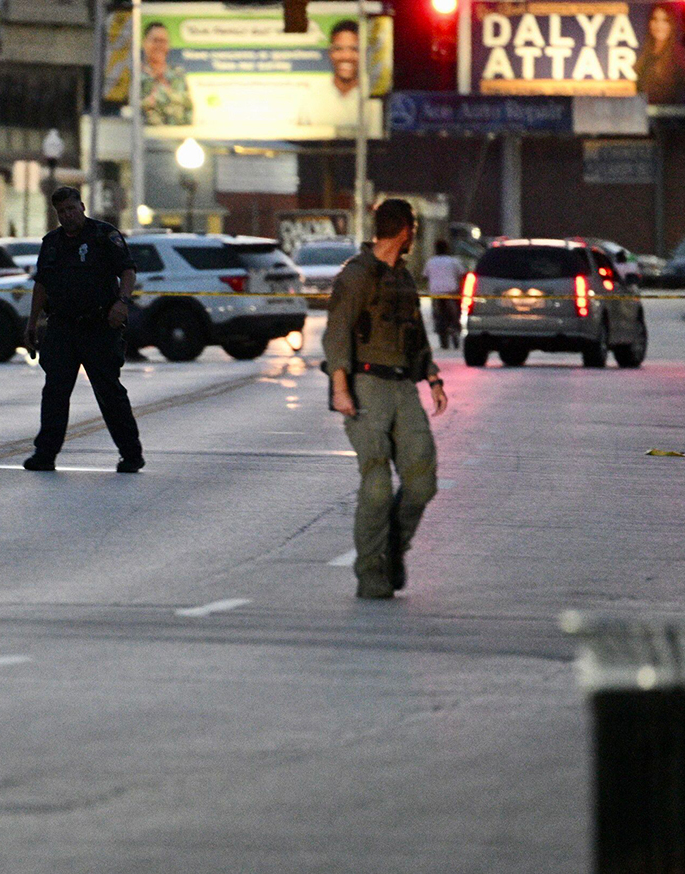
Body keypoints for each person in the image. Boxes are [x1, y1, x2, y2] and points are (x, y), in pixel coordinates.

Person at [324, 199, 448, 599]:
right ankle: (372, 571)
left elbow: (415, 333)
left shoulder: (403, 278)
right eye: (412, 229)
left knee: (422, 479)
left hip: (402, 387)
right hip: (365, 388)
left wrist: (432, 377)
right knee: (377, 486)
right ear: (405, 231)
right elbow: (336, 333)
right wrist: (341, 388)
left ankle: (394, 547)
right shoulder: (356, 276)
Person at [23, 187, 144, 473]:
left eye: (71, 209)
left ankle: (131, 453)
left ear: (82, 206)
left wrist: (122, 303)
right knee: (54, 392)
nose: (67, 215)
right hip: (62, 327)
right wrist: (31, 323)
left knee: (109, 392)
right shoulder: (51, 243)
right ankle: (45, 454)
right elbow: (41, 284)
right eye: (61, 211)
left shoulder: (104, 236)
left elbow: (127, 271)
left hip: (99, 326)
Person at [296, 19, 363, 132]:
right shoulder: (312, 98)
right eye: (338, 49)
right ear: (330, 52)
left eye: (354, 49)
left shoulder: (373, 96)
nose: (346, 56)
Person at [140, 22, 193, 126]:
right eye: (155, 40)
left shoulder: (178, 74)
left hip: (177, 138)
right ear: (144, 43)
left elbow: (188, 109)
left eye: (163, 41)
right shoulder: (135, 76)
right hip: (145, 139)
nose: (159, 45)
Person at [636, 4, 685, 107]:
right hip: (645, 117)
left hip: (670, 118)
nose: (659, 25)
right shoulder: (644, 56)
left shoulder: (679, 57)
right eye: (655, 19)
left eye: (665, 20)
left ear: (672, 25)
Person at [422, 239, 464, 349]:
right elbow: (462, 274)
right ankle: (455, 327)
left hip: (436, 293)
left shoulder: (430, 261)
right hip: (451, 292)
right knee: (455, 313)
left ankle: (441, 331)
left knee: (437, 315)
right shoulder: (453, 261)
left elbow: (425, 276)